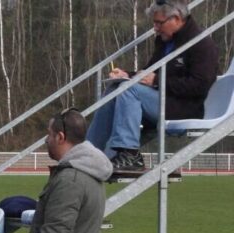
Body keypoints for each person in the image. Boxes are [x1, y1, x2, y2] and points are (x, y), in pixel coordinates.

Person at [86, 0, 219, 171]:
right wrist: (128, 75)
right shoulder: (164, 41)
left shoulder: (202, 44)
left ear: (176, 19)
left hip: (184, 107)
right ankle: (89, 153)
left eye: (159, 23)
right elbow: (150, 72)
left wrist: (157, 81)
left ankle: (130, 154)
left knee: (129, 89)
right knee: (114, 89)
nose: (155, 28)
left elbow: (200, 85)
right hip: (162, 100)